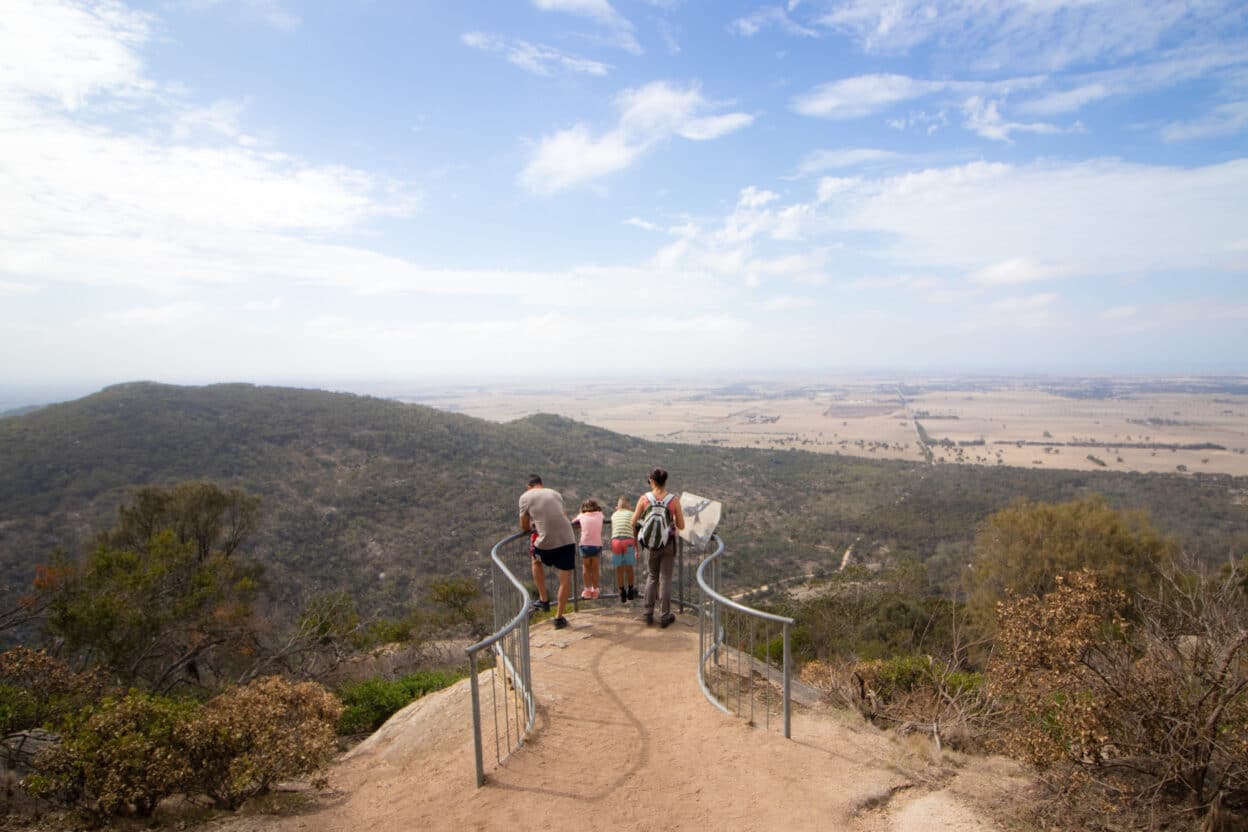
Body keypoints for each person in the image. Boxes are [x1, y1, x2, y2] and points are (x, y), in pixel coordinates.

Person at [519, 474, 577, 629]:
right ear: (541, 484)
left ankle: (544, 599)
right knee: (565, 580)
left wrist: (532, 526)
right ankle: (558, 618)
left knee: (536, 561)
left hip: (546, 542)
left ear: (529, 486)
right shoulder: (555, 493)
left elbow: (524, 526)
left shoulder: (525, 497)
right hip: (568, 539)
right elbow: (563, 515)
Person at [632, 468, 685, 628]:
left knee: (652, 576)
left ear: (652, 481)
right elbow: (681, 525)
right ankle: (664, 615)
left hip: (651, 545)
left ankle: (648, 613)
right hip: (668, 543)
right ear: (665, 481)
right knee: (665, 578)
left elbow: (633, 522)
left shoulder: (644, 499)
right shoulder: (673, 500)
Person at [571, 499, 605, 599]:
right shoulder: (600, 515)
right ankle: (595, 590)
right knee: (595, 568)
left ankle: (587, 590)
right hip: (597, 545)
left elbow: (573, 522)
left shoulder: (582, 515)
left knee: (586, 568)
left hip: (585, 545)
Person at [610, 496, 638, 604]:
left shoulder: (614, 515)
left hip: (616, 541)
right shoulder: (631, 514)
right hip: (628, 541)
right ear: (629, 506)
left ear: (618, 507)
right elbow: (635, 525)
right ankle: (631, 590)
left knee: (619, 569)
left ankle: (621, 591)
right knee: (629, 568)